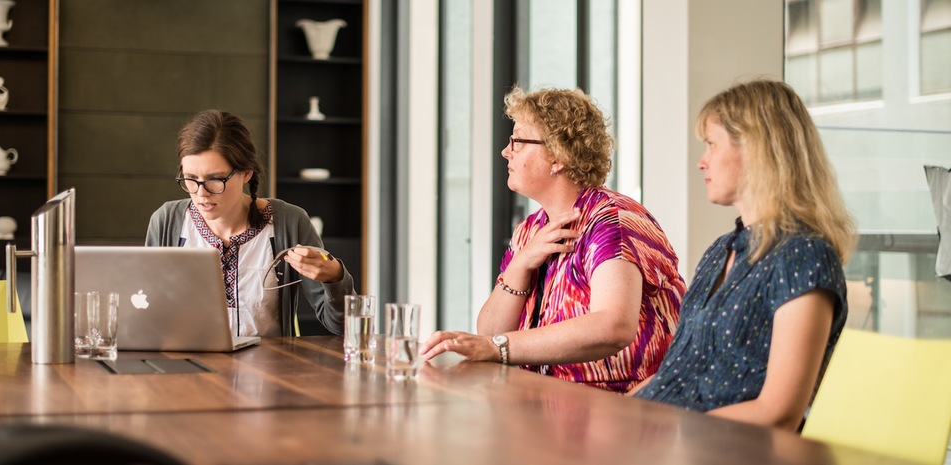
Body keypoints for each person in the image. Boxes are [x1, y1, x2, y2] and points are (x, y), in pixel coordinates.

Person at [420, 86, 686, 393]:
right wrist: (520, 266)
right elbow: (490, 333)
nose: (506, 151)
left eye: (517, 141)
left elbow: (613, 327)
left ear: (558, 155)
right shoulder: (530, 231)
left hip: (625, 410)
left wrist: (498, 347)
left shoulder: (613, 219)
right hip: (551, 407)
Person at [632, 79, 858, 431]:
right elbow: (674, 373)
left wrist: (671, 432)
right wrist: (620, 412)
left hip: (718, 448)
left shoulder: (805, 257)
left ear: (755, 149)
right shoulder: (719, 252)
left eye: (711, 145)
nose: (701, 163)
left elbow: (778, 412)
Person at [145, 109, 355, 337]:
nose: (201, 193)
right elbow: (147, 311)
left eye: (215, 180)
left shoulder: (289, 222)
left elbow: (342, 327)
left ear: (246, 173)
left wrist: (335, 277)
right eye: (191, 179)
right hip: (188, 367)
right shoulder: (167, 221)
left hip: (268, 368)